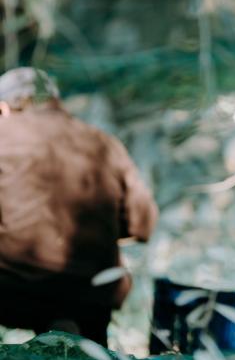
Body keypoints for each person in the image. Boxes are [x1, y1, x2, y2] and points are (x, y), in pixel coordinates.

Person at [0, 68, 158, 345]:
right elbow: (141, 224)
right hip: (91, 292)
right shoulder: (104, 143)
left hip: (14, 289)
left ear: (4, 106)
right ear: (55, 102)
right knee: (88, 343)